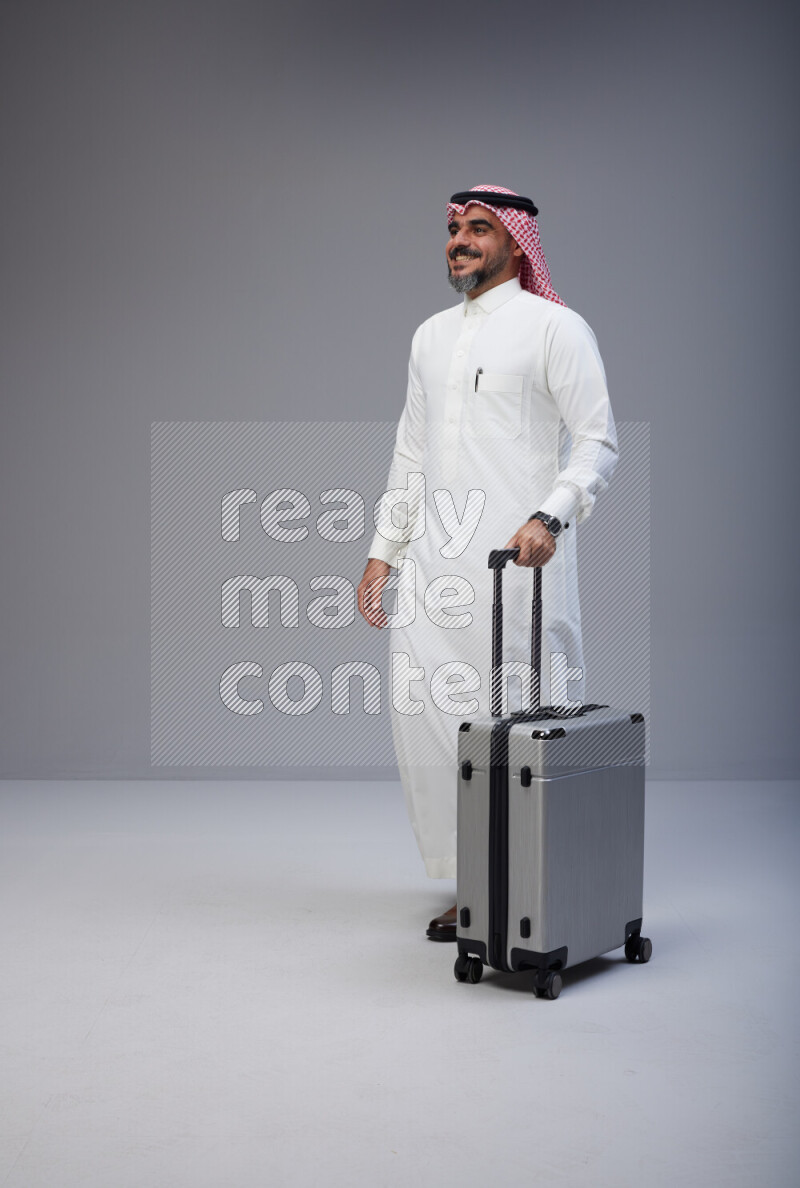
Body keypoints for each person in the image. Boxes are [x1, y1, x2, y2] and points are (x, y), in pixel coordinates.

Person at [357, 185, 619, 941]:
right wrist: (384, 552)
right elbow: (411, 449)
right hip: (433, 570)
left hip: (518, 571)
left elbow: (597, 439)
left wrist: (552, 514)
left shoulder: (555, 329)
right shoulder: (430, 337)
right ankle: (477, 881)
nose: (460, 241)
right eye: (452, 229)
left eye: (478, 228)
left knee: (519, 722)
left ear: (515, 241)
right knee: (431, 724)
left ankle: (536, 880)